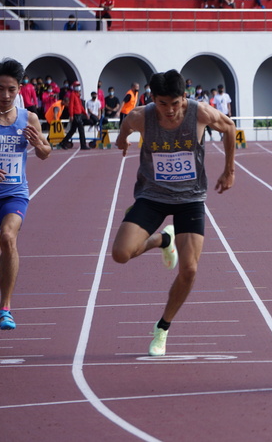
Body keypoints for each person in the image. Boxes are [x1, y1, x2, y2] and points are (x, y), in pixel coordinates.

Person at [112, 70, 235, 356]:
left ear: (184, 97)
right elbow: (126, 125)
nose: (169, 110)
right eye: (162, 103)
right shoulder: (142, 116)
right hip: (152, 195)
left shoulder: (200, 113)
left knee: (189, 270)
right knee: (120, 254)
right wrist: (121, 140)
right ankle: (163, 240)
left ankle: (163, 327)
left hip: (189, 198)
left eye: (176, 103)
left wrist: (229, 171)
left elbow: (229, 127)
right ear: (152, 99)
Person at [0, 58, 51, 330]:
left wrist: (38, 143)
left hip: (14, 194)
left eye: (11, 89)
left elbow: (46, 153)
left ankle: (5, 308)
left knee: (8, 238)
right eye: (0, 88)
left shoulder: (29, 118)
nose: (6, 95)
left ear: (19, 89)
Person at [58, 81, 90, 150]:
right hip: (76, 115)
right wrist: (71, 115)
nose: (78, 87)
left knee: (73, 130)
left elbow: (80, 106)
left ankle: (63, 142)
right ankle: (83, 145)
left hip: (78, 115)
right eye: (77, 86)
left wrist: (85, 113)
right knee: (81, 130)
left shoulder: (77, 95)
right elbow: (71, 105)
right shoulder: (73, 94)